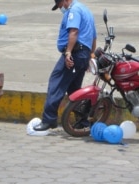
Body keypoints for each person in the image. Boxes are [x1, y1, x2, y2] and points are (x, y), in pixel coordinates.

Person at [34, 0, 97, 131]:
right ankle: (82, 121)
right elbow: (94, 36)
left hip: (74, 53)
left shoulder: (73, 10)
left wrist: (68, 53)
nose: (62, 9)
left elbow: (73, 31)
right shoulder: (86, 10)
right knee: (75, 90)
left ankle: (49, 120)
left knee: (56, 83)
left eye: (61, 5)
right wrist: (90, 55)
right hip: (82, 54)